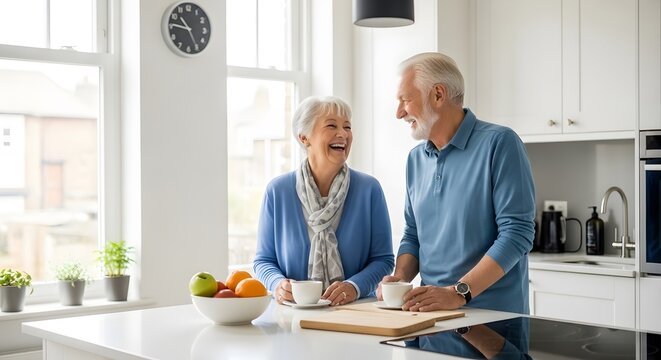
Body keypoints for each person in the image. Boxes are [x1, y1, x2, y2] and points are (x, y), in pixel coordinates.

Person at [378, 52, 536, 314]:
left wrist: (458, 293)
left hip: (493, 318)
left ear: (438, 95)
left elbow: (517, 234)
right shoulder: (416, 159)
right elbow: (413, 234)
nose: (398, 113)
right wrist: (401, 277)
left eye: (405, 100)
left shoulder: (500, 144)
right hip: (428, 314)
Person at [254, 95, 395, 306]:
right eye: (331, 125)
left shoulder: (369, 189)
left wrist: (354, 287)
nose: (343, 134)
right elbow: (263, 261)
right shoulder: (278, 191)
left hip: (357, 313)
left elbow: (383, 260)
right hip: (293, 315)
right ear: (304, 138)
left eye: (347, 127)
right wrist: (277, 284)